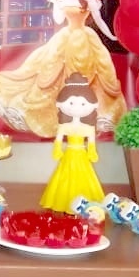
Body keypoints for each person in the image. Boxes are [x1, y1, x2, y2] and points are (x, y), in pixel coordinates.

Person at [0, 0, 126, 137]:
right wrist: (54, 2)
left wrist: (112, 36)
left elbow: (99, 21)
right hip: (66, 38)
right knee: (48, 70)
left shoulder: (89, 0)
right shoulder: (63, 1)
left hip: (85, 40)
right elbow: (58, 20)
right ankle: (58, 116)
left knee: (91, 75)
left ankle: (85, 117)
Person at [39, 73, 105, 213]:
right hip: (68, 154)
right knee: (64, 177)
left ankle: (84, 204)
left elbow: (91, 143)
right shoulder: (64, 126)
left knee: (83, 177)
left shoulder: (88, 128)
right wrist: (57, 149)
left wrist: (92, 152)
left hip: (81, 155)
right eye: (71, 103)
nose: (76, 107)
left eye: (82, 104)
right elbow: (58, 140)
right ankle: (64, 202)